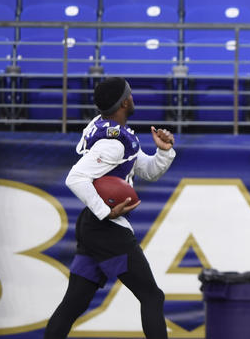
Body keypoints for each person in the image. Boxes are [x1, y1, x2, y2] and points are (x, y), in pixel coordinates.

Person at [43, 77, 176, 339]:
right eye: (131, 93)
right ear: (125, 102)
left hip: (94, 227)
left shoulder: (113, 131)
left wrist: (163, 152)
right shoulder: (113, 143)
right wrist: (105, 211)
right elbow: (76, 178)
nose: (133, 97)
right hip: (106, 230)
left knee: (74, 303)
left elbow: (147, 171)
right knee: (152, 296)